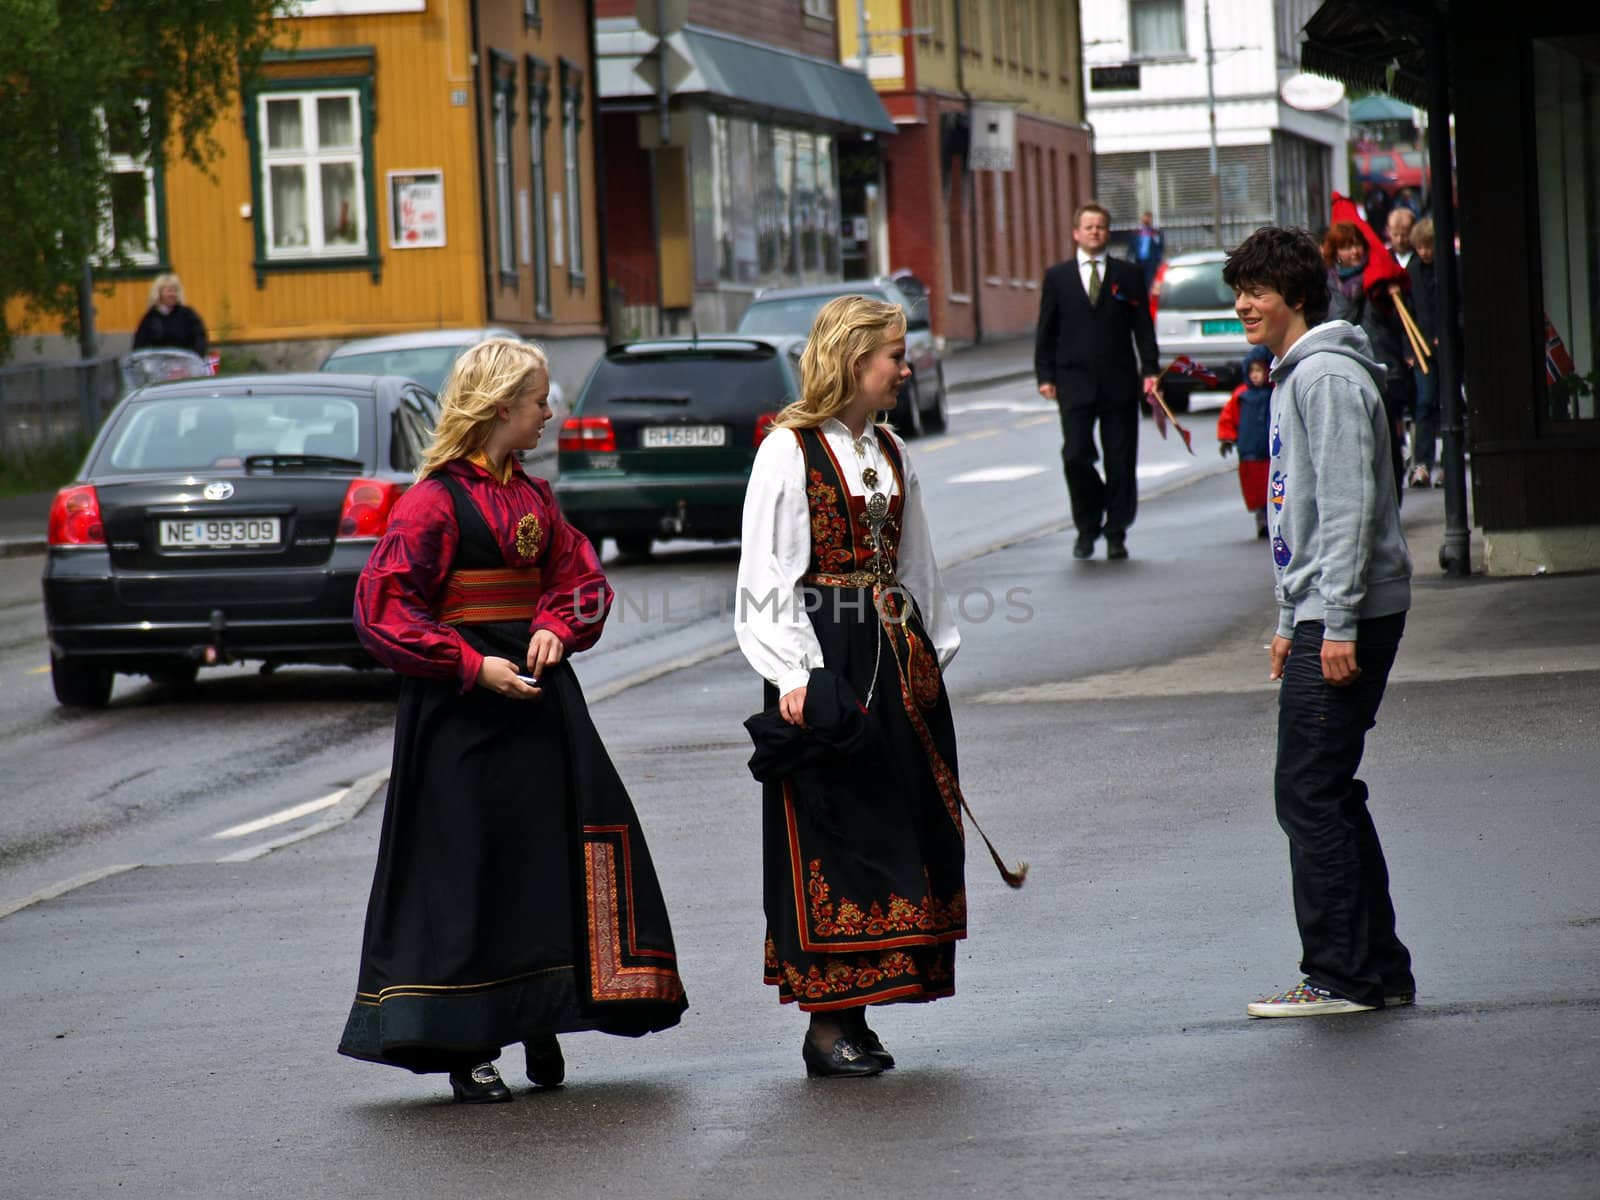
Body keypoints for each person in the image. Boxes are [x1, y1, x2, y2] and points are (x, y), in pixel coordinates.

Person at [338, 339, 687, 1102]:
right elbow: (383, 608)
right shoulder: (431, 502)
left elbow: (582, 578)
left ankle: (540, 1016)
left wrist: (559, 624)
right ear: (501, 407)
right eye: (538, 401)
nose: (549, 413)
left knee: (543, 867)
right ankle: (471, 1048)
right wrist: (471, 664)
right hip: (461, 714)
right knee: (471, 874)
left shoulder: (533, 497)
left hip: (537, 706)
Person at [735, 295, 967, 1079]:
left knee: (895, 822)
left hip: (893, 653)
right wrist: (795, 673)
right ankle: (827, 1023)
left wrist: (930, 652)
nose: (905, 368)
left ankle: (858, 1016)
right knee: (834, 830)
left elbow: (916, 565)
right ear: (850, 360)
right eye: (893, 356)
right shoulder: (788, 451)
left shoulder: (893, 449)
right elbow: (767, 576)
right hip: (823, 653)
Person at [1222, 226, 1416, 1019]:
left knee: (1306, 791)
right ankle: (1378, 967)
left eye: (1256, 292)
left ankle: (1340, 975)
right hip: (1326, 609)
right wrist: (1287, 616)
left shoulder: (1326, 378)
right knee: (1326, 788)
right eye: (1239, 291)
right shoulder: (1302, 373)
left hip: (1348, 613)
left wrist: (1331, 623)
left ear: (1296, 296)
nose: (1242, 305)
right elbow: (1292, 512)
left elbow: (1346, 508)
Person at [1034, 203, 1161, 560]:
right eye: (1088, 227)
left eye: (1101, 227)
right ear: (1076, 233)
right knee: (1076, 455)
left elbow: (1142, 327)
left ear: (1108, 233)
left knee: (1120, 459)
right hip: (1073, 381)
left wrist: (1150, 370)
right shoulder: (1057, 277)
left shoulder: (1128, 274)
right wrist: (1044, 374)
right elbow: (1047, 328)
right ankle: (1087, 526)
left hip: (1119, 381)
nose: (1095, 232)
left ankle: (1116, 530)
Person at [1322, 222, 1410, 503]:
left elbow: (1399, 322)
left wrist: (1387, 292)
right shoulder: (1328, 285)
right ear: (1335, 252)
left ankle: (1392, 502)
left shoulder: (1381, 275)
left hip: (1383, 368)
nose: (1355, 251)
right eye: (1347, 247)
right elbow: (1338, 320)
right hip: (1347, 370)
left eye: (1357, 244)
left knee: (1387, 441)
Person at [1217, 344, 1274, 539]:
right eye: (1252, 371)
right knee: (1255, 488)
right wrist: (1227, 437)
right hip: (1249, 452)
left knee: (1273, 485)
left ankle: (1272, 516)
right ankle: (1261, 516)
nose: (1256, 375)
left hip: (1271, 452)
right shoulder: (1241, 395)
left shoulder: (1275, 392)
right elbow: (1228, 417)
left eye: (1260, 370)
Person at [1405, 218, 1441, 487]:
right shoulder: (1412, 271)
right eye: (1420, 247)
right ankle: (1422, 463)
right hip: (1421, 350)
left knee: (1450, 406)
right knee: (1425, 402)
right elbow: (1405, 314)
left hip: (1448, 349)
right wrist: (1409, 349)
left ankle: (1447, 465)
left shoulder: (1449, 268)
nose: (1424, 252)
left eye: (1428, 246)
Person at [132, 273, 208, 357]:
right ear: (159, 293)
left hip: (184, 364)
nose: (172, 294)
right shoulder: (149, 318)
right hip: (158, 365)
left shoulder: (188, 314)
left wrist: (197, 355)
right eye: (168, 291)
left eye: (175, 290)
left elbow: (199, 337)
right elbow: (139, 345)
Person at [1132, 210, 1165, 291]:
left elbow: (1160, 246)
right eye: (1145, 218)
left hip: (1151, 261)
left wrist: (1158, 258)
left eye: (1149, 218)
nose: (1146, 220)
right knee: (1139, 281)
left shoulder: (1155, 233)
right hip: (1139, 260)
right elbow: (1132, 247)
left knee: (1150, 281)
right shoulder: (1137, 233)